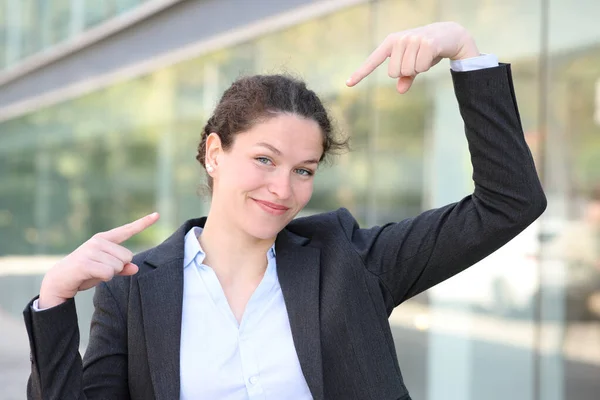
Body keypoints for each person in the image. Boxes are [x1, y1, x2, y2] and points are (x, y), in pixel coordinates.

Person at [22, 22, 546, 400]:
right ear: (213, 153)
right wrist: (53, 301)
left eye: (304, 169)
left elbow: (508, 203)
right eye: (264, 159)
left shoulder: (350, 259)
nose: (282, 188)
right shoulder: (133, 290)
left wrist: (463, 49)